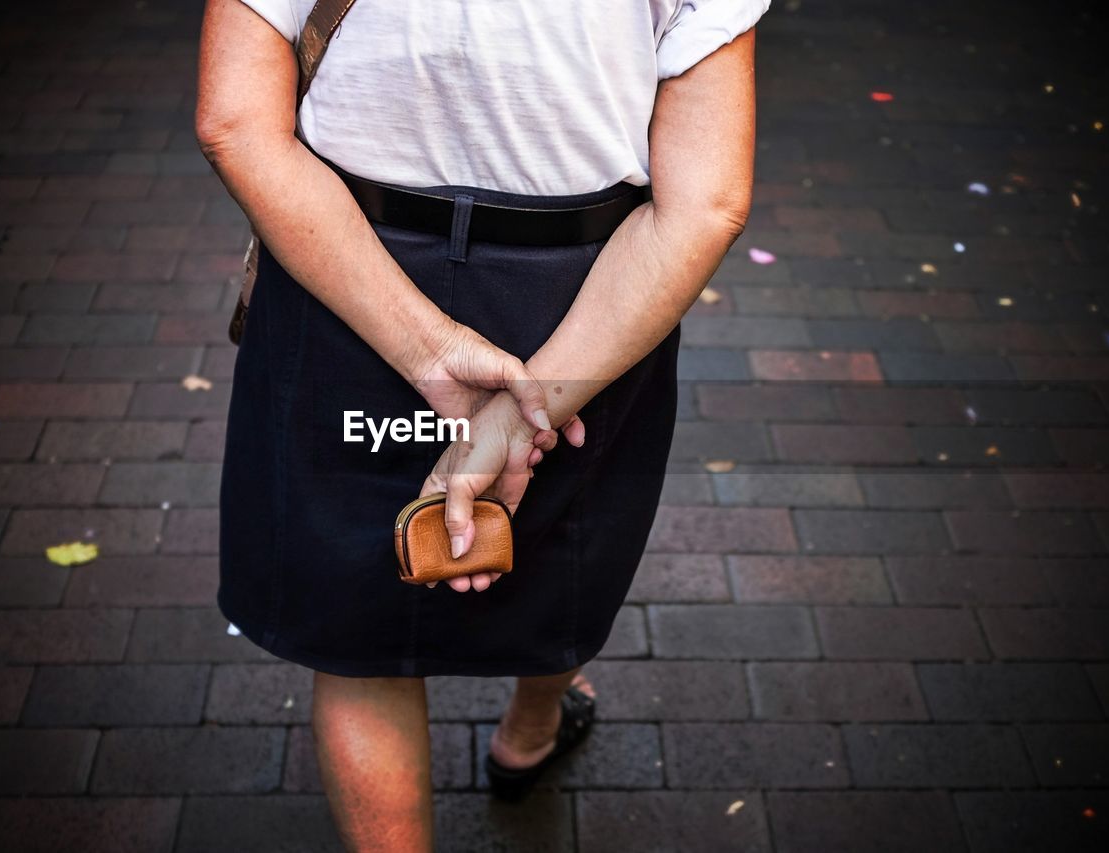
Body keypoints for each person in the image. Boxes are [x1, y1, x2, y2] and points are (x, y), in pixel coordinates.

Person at [196, 0, 766, 847]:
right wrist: (533, 406)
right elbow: (705, 199)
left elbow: (235, 122)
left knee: (358, 627)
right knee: (554, 555)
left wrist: (429, 348)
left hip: (347, 274)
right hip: (589, 299)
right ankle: (531, 732)